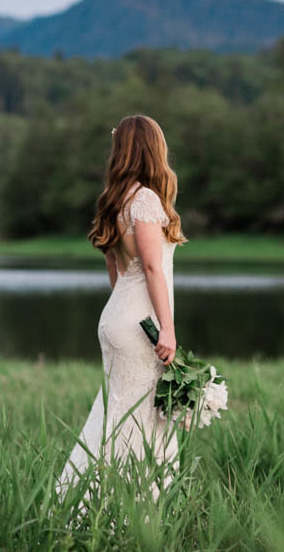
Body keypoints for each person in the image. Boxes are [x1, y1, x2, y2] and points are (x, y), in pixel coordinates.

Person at [54, 114, 188, 513]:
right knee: (142, 415)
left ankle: (90, 503)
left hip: (118, 316)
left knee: (118, 410)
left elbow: (116, 273)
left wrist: (129, 316)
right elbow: (150, 268)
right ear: (153, 149)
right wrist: (167, 329)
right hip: (140, 322)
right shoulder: (145, 199)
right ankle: (131, 509)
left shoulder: (115, 201)